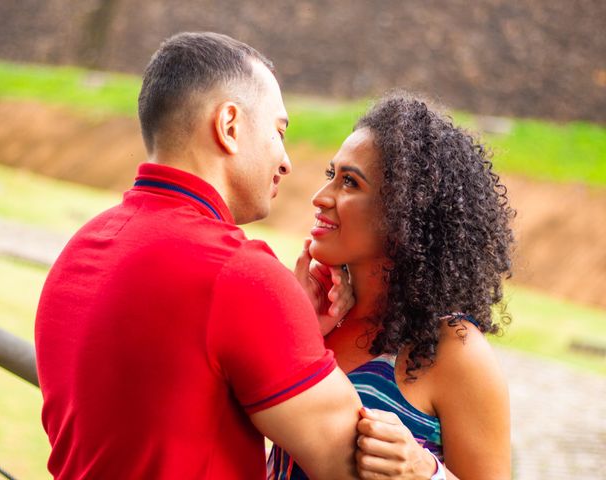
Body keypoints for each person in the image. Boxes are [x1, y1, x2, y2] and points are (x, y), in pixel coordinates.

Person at [35, 32, 364, 480]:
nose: (285, 161)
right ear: (229, 125)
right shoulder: (238, 274)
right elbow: (356, 463)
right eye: (278, 131)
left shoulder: (79, 250)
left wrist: (292, 328)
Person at [271, 94, 514, 479]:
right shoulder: (317, 320)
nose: (320, 198)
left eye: (349, 182)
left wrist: (424, 470)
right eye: (330, 175)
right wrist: (299, 331)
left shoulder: (455, 352)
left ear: (405, 213)